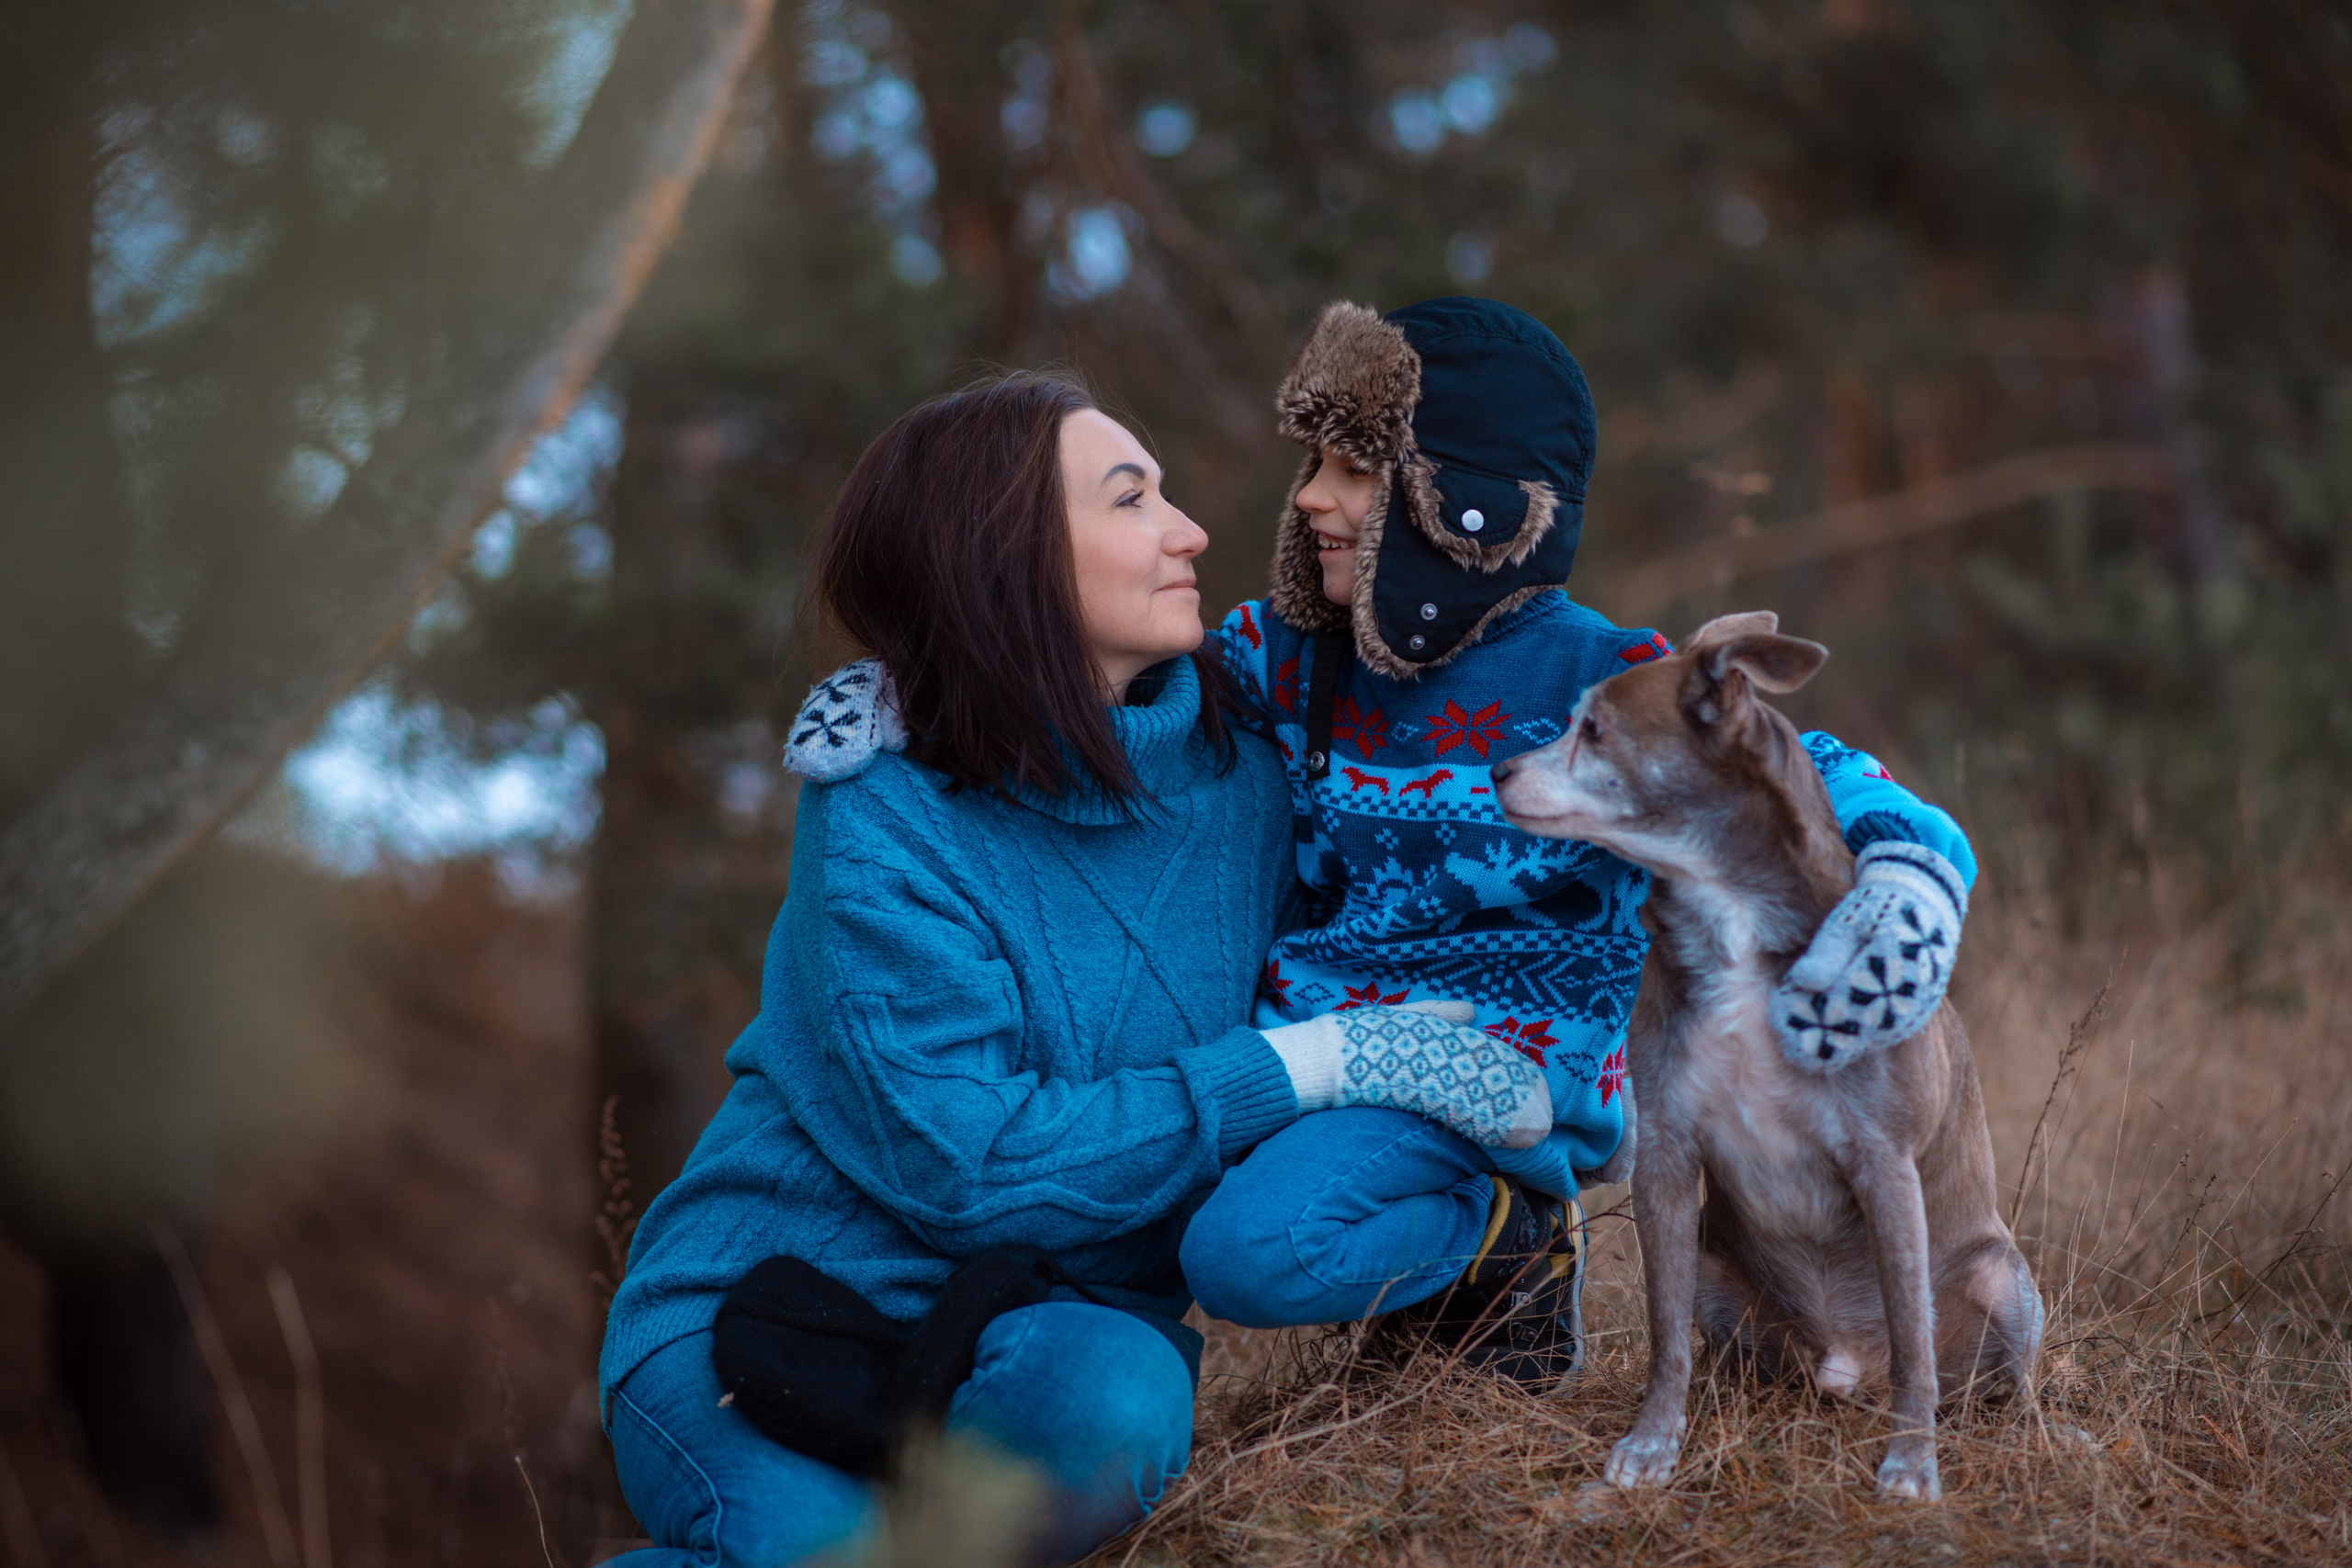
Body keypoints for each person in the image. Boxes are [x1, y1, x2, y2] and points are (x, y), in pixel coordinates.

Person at [595, 372, 1551, 1566]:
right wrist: (1303, 1066)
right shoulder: (887, 805)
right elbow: (970, 1165)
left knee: (1119, 1400)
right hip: (763, 1319)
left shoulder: (1253, 768)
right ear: (1008, 557)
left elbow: (1514, 724)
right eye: (1131, 497)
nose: (1191, 527)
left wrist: (1857, 848)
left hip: (1039, 1336)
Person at [1179, 298, 1978, 1381]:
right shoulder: (1282, 658)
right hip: (1310, 1055)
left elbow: (1815, 766)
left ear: (1465, 506)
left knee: (1249, 1253)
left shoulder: (1599, 679)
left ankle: (1504, 1240)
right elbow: (1098, 711)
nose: (1312, 497)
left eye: (1357, 472)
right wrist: (904, 705)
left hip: (1509, 1086)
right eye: (1316, 464)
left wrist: (1914, 865)